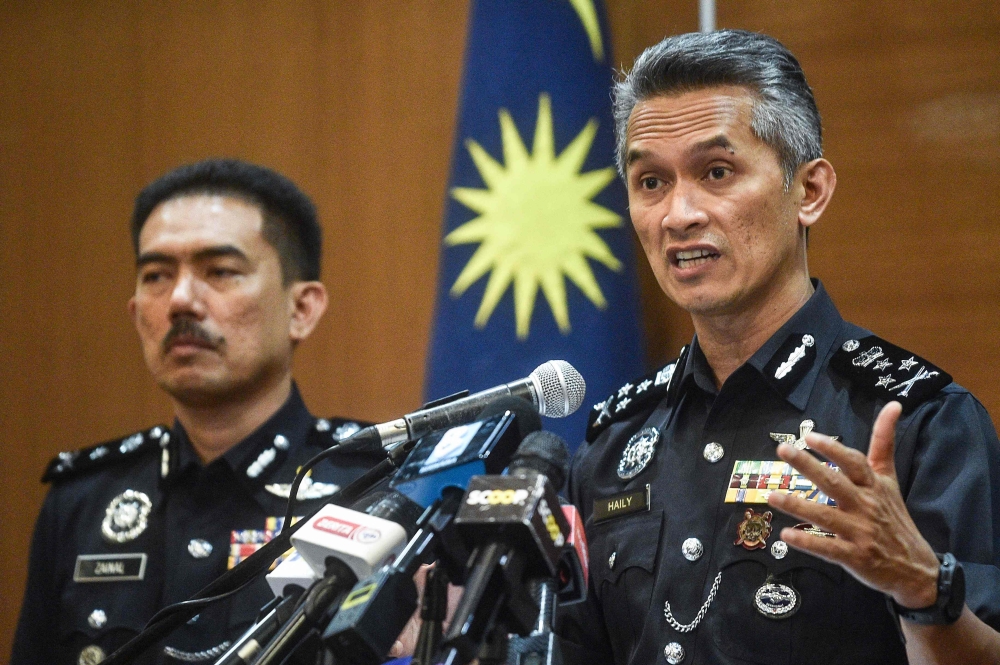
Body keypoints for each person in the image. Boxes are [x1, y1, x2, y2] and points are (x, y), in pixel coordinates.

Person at [559, 30, 1000, 665]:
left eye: (716, 172)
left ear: (810, 191)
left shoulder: (919, 423)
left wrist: (921, 588)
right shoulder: (614, 445)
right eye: (650, 181)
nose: (678, 213)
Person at [11, 159, 381, 665]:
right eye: (156, 275)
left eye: (221, 271)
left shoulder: (375, 486)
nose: (181, 300)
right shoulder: (82, 504)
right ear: (136, 311)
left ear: (302, 309)